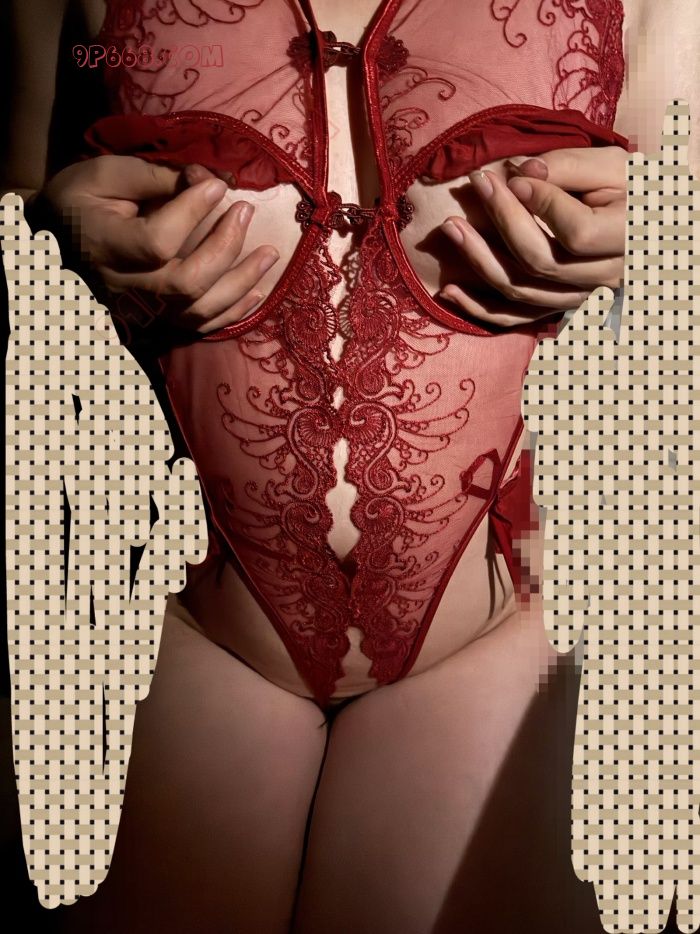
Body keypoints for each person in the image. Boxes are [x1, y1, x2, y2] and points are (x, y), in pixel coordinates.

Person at [1, 1, 697, 932]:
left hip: (490, 645)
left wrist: (673, 235)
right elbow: (12, 215)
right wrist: (50, 244)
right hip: (167, 628)